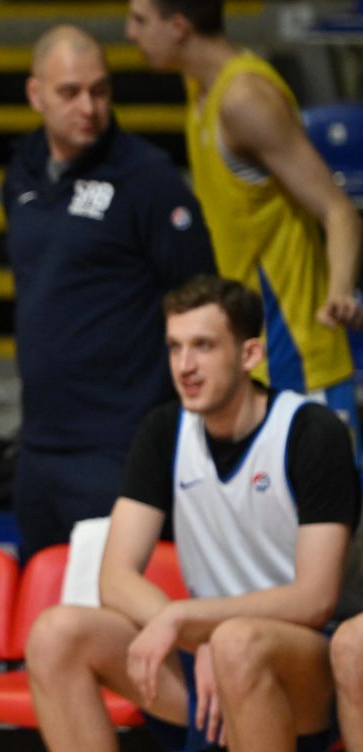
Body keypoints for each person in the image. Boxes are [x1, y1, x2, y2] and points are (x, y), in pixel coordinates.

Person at [24, 275, 359, 752]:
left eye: (203, 346)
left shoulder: (312, 432)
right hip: (207, 655)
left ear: (249, 353)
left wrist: (191, 621)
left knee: (239, 642)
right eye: (176, 347)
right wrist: (195, 636)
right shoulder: (164, 431)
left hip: (306, 663)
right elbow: (115, 576)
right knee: (55, 633)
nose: (185, 366)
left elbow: (315, 599)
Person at [3, 23, 216, 562]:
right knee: (44, 625)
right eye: (70, 92)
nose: (89, 107)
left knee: (113, 624)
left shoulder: (148, 178)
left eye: (99, 91)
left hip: (120, 447)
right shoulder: (21, 174)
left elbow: (200, 300)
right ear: (36, 95)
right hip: (40, 443)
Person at [126, 0, 363, 449]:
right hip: (249, 357)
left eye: (140, 20)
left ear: (179, 27)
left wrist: (339, 291)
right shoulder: (199, 85)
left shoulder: (245, 100)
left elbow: (339, 210)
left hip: (295, 357)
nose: (130, 33)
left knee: (318, 516)